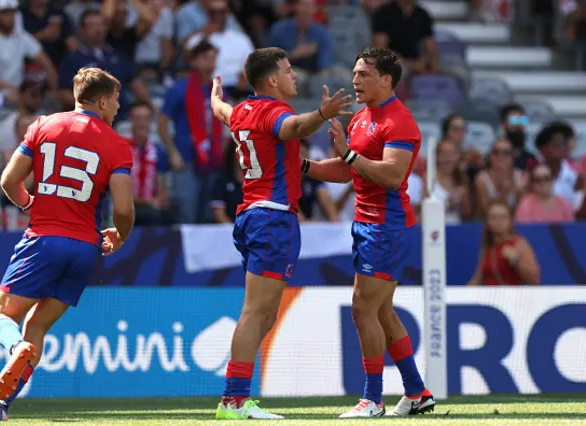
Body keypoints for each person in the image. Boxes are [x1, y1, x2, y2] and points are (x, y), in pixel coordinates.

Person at [0, 67, 135, 422]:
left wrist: (28, 203)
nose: (117, 108)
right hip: (85, 249)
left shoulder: (44, 125)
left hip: (44, 240)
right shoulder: (116, 144)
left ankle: (14, 347)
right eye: (115, 101)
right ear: (101, 101)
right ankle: (0, 408)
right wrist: (120, 234)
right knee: (37, 329)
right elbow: (125, 208)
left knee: (1, 319)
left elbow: (9, 181)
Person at [210, 47, 352, 420]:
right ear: (271, 80)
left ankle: (237, 397)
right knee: (256, 312)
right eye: (289, 70)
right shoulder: (276, 112)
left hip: (254, 216)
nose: (294, 76)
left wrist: (215, 100)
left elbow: (222, 112)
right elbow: (293, 128)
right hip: (272, 219)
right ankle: (235, 400)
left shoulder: (241, 111)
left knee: (264, 313)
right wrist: (321, 114)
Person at [301, 47, 435, 417]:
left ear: (386, 80)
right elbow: (349, 171)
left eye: (364, 74)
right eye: (355, 73)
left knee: (363, 309)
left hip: (386, 225)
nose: (356, 80)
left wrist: (347, 156)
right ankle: (417, 392)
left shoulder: (399, 121)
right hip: (366, 223)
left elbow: (392, 176)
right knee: (381, 311)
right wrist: (304, 165)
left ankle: (372, 399)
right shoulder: (362, 118)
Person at [467, 200, 540, 286]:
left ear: (510, 221)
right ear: (487, 222)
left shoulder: (519, 244)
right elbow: (476, 280)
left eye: (503, 217)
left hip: (513, 297)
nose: (498, 221)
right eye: (493, 217)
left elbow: (535, 280)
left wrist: (515, 260)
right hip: (491, 298)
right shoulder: (488, 248)